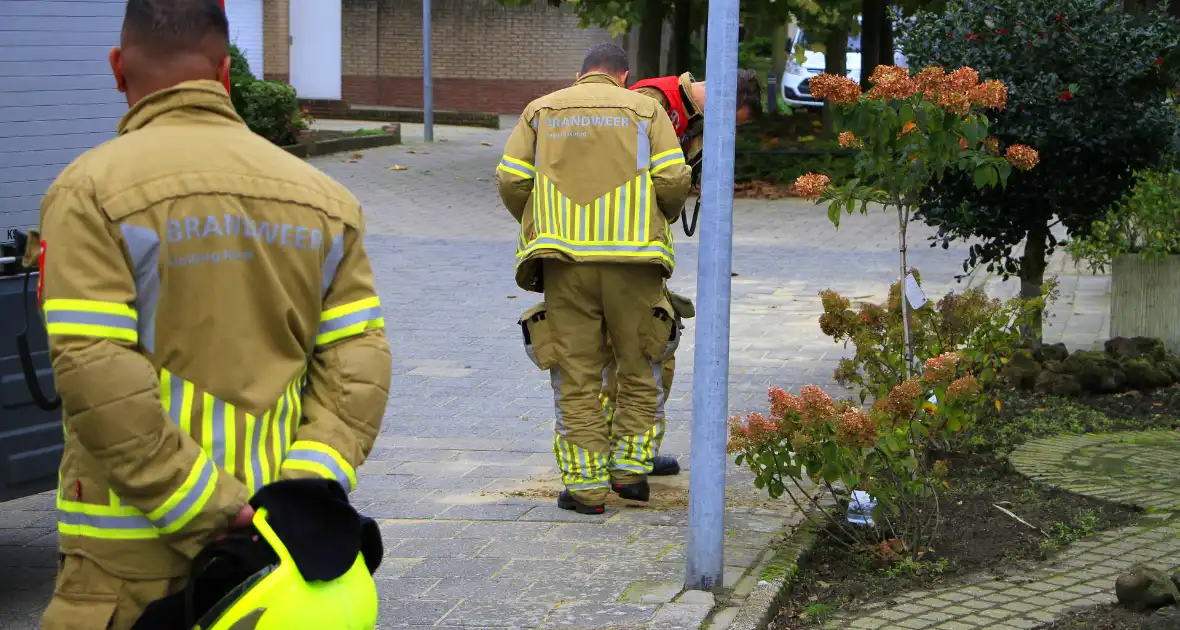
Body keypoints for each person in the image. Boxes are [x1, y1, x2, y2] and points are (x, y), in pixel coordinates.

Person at [37, 1, 392, 627]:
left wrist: (210, 510)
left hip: (131, 567)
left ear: (119, 69)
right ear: (225, 73)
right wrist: (300, 493)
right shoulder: (326, 199)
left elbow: (95, 370)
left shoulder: (88, 191)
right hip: (278, 562)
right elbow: (357, 358)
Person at [498, 43, 692, 515]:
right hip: (636, 264)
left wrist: (537, 217)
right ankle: (630, 475)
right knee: (642, 366)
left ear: (580, 76)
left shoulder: (541, 110)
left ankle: (585, 490)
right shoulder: (647, 109)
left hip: (565, 263)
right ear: (624, 77)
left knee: (577, 374)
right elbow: (671, 180)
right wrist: (657, 216)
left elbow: (510, 180)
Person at [592, 69, 765, 476]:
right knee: (633, 353)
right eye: (731, 121)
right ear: (724, 99)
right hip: (621, 248)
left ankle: (630, 450)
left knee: (653, 349)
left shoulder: (687, 116)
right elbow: (630, 173)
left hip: (635, 248)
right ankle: (615, 453)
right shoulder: (654, 102)